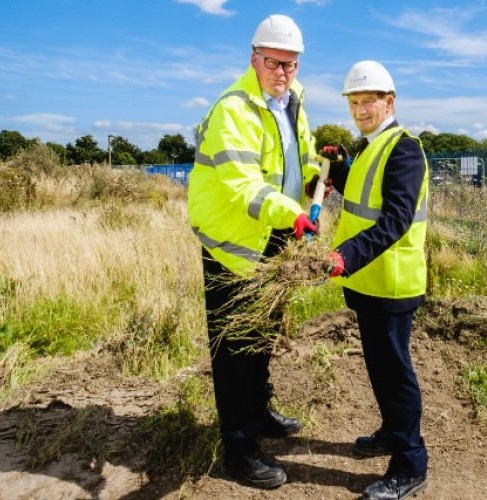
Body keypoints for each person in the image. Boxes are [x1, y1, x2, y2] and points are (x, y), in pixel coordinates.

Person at [187, 13, 321, 489]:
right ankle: (238, 446)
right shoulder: (234, 109)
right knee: (234, 347)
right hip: (235, 244)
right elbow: (245, 186)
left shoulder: (293, 100)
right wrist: (295, 214)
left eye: (290, 64)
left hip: (275, 237)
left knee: (263, 332)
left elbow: (298, 152)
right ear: (253, 58)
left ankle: (259, 411)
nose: (281, 72)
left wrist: (314, 171)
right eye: (272, 62)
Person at [323, 60, 430, 500]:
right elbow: (367, 195)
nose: (361, 108)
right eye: (355, 101)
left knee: (394, 371)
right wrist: (339, 173)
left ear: (390, 101)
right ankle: (391, 431)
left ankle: (410, 464)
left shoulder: (404, 148)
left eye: (370, 100)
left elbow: (396, 219)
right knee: (380, 368)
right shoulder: (370, 145)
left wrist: (344, 256)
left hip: (391, 282)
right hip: (367, 280)